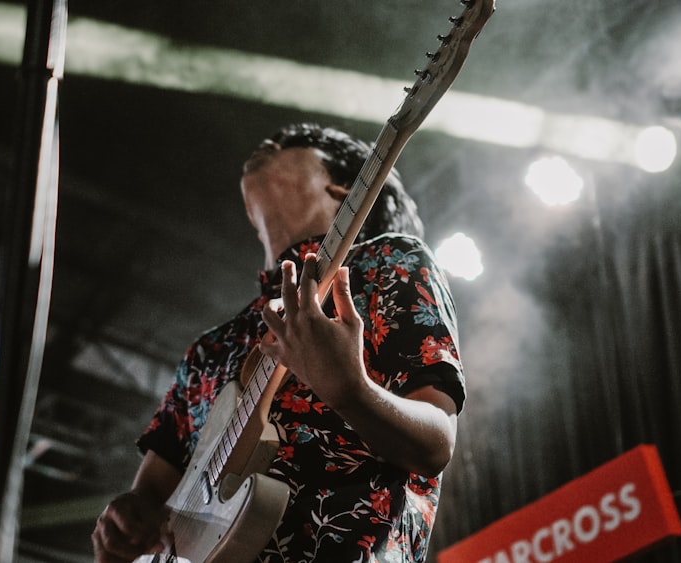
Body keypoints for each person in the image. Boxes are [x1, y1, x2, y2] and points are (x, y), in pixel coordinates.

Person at [92, 123, 464, 563]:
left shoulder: (391, 262)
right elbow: (149, 497)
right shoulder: (209, 350)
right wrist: (122, 525)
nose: (267, 143)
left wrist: (353, 392)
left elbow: (435, 444)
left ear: (343, 189)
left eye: (291, 144)